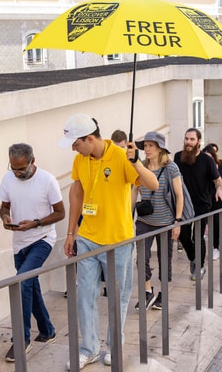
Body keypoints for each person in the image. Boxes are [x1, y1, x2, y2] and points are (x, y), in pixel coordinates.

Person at [60, 114, 158, 370]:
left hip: (118, 243)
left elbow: (153, 184)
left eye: (76, 143)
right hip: (87, 239)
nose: (73, 148)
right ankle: (89, 349)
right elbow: (77, 194)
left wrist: (136, 163)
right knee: (84, 296)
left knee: (118, 298)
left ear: (90, 139)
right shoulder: (80, 159)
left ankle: (114, 347)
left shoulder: (120, 156)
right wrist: (71, 233)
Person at [0, 143, 65, 362]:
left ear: (32, 161)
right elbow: (4, 206)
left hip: (42, 239)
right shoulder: (8, 179)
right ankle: (47, 331)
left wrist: (35, 223)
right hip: (19, 242)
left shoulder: (48, 180)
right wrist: (5, 217)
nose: (17, 173)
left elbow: (60, 213)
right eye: (13, 168)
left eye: (21, 169)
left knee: (22, 282)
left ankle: (21, 339)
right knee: (30, 285)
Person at [134, 131, 183, 310]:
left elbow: (179, 195)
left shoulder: (171, 168)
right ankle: (147, 292)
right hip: (144, 221)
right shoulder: (141, 167)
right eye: (145, 146)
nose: (146, 149)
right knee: (141, 258)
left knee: (165, 259)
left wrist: (177, 222)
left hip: (166, 222)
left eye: (150, 146)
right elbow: (134, 191)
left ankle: (163, 293)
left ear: (160, 148)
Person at [173, 128, 222, 280]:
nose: (188, 142)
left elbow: (218, 180)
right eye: (186, 139)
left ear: (198, 141)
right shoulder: (178, 157)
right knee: (183, 236)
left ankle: (200, 266)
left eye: (192, 139)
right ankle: (193, 259)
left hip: (202, 206)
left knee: (198, 237)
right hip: (183, 205)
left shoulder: (207, 160)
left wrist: (219, 190)